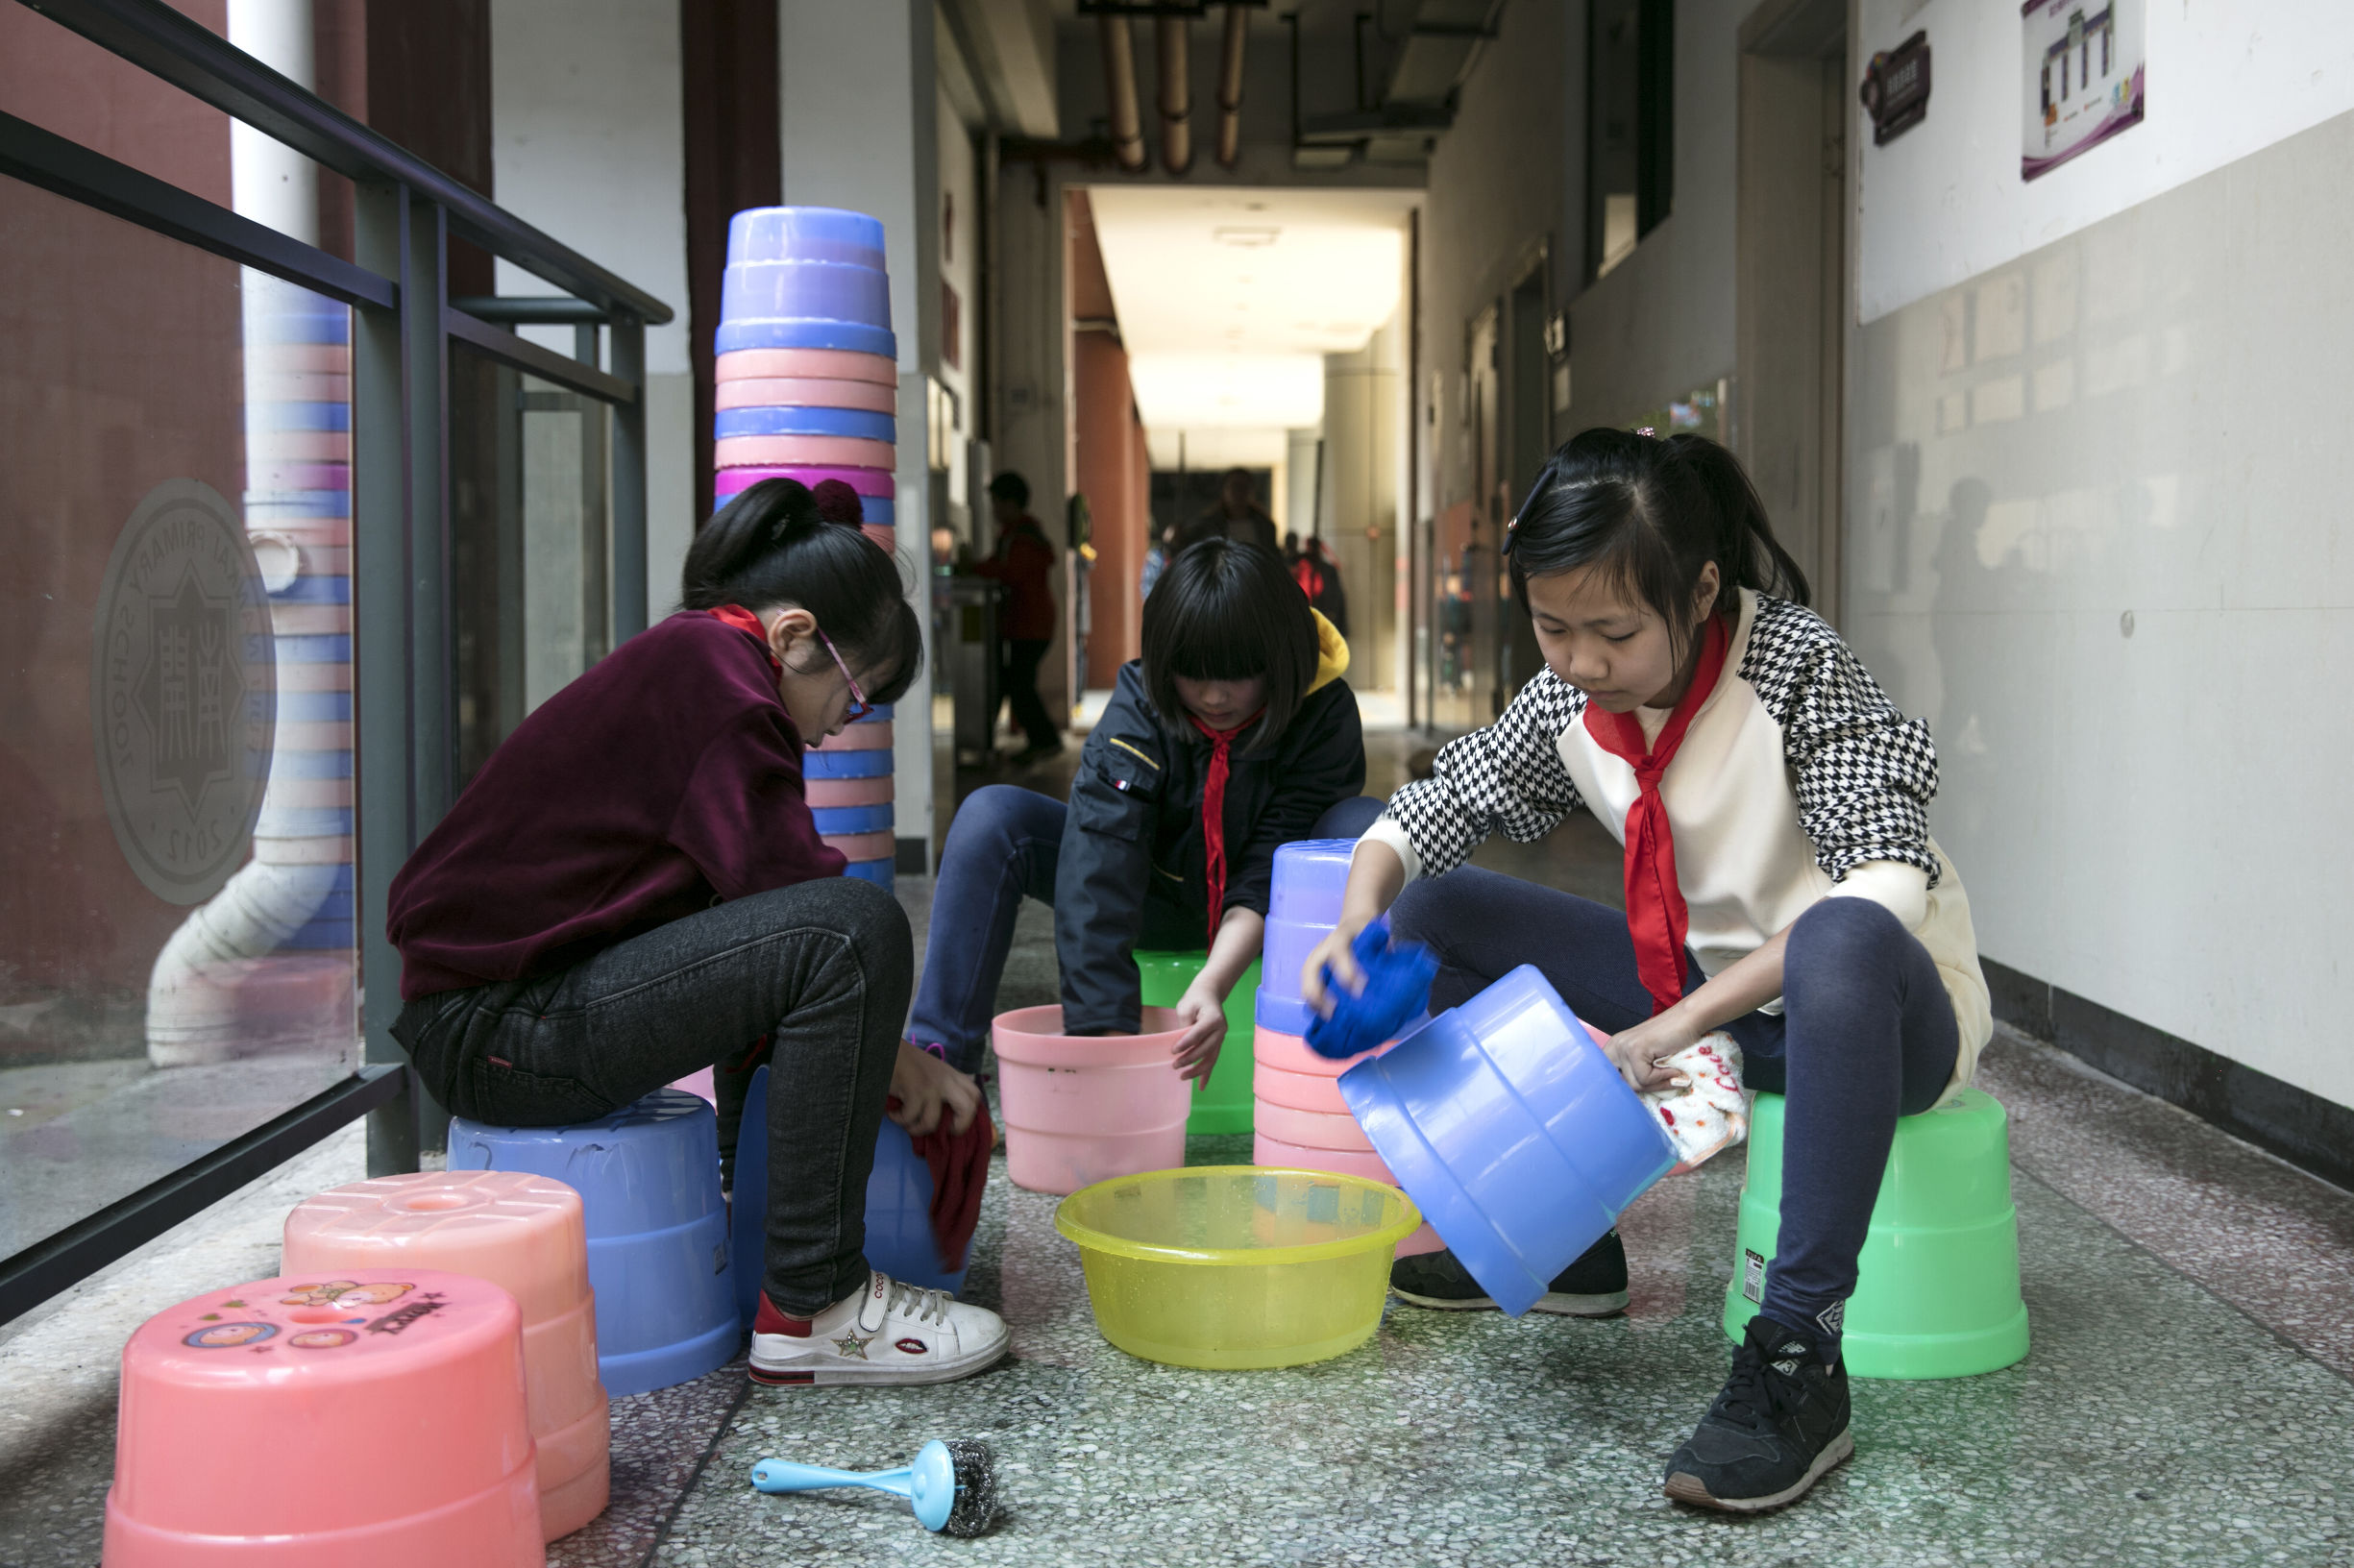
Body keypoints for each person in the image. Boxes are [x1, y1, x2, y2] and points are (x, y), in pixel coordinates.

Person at [1303, 429, 1990, 1514]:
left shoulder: (1797, 666)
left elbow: (1883, 886)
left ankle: (1797, 1355)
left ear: (1701, 588)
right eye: (1550, 626)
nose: (1576, 660)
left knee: (1839, 936)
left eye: (1611, 632)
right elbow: (1436, 808)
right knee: (1431, 908)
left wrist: (1665, 1035)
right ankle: (1563, 1244)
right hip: (1703, 994)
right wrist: (1353, 917)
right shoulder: (1568, 696)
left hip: (1880, 1013)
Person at [385, 478, 1009, 1391]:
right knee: (852, 929)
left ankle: (745, 1211)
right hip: (498, 1030)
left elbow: (745, 919)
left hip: (494, 1016)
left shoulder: (695, 664)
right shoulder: (720, 689)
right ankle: (819, 1306)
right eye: (854, 695)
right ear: (795, 636)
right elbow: (806, 906)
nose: (842, 724)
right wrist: (907, 1066)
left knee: (786, 934)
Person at [908, 537, 1380, 1081]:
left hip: (1273, 916)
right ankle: (941, 1066)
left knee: (1363, 828)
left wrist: (1213, 982)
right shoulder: (1143, 698)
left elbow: (1268, 865)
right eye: (1192, 673)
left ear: (1280, 659)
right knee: (992, 817)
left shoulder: (1323, 712)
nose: (1213, 696)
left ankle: (1350, 1066)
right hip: (1151, 899)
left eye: (1239, 673)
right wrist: (1102, 1031)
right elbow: (1101, 853)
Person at [971, 471, 1063, 764]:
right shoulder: (1015, 534)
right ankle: (1041, 740)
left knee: (1019, 684)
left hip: (1030, 626)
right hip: (1027, 625)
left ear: (1011, 503)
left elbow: (1010, 573)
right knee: (1017, 683)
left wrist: (974, 569)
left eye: (997, 502)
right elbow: (1000, 565)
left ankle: (1046, 740)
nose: (994, 509)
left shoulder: (1023, 538)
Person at [1178, 467, 1280, 556]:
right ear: (1224, 490)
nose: (1240, 492)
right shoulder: (1209, 525)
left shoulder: (1266, 526)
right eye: (1235, 486)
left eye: (1244, 487)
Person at [1290, 532, 1351, 638]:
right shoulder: (1299, 567)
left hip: (1322, 617)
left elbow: (1337, 597)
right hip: (1308, 618)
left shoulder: (1326, 570)